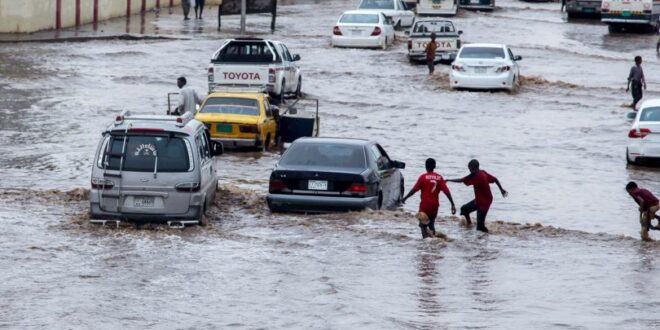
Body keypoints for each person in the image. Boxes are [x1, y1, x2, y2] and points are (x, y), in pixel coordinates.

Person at [447, 159, 507, 233]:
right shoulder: (482, 172)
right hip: (479, 200)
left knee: (480, 227)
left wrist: (448, 180)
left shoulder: (476, 176)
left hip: (485, 202)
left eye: (470, 169)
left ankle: (489, 236)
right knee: (464, 209)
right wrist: (501, 190)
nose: (469, 171)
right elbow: (495, 179)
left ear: (474, 168)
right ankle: (469, 224)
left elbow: (461, 180)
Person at [402, 158, 456, 238]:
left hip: (424, 207)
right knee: (431, 225)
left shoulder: (423, 177)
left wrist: (405, 198)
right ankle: (433, 242)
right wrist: (452, 204)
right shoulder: (439, 178)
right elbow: (447, 192)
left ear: (425, 166)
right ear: (434, 166)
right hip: (434, 207)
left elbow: (414, 190)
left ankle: (426, 243)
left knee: (423, 226)